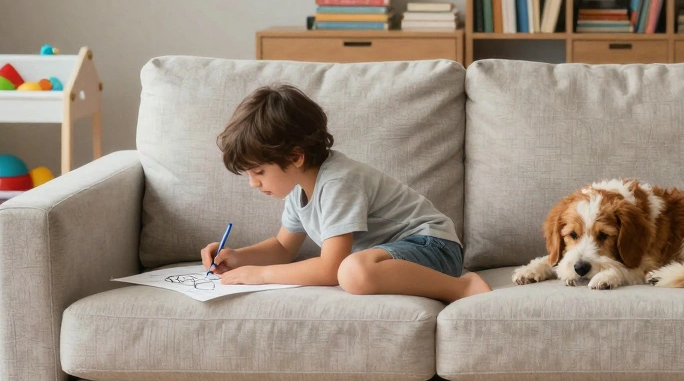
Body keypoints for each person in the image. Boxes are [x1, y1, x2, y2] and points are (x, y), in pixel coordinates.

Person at [202, 84, 491, 302]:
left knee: (351, 272)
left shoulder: (337, 183)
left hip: (433, 247)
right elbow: (282, 247)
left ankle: (464, 287)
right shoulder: (298, 189)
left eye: (259, 172)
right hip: (396, 256)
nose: (253, 183)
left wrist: (261, 275)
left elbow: (330, 270)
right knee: (353, 269)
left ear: (295, 157)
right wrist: (237, 258)